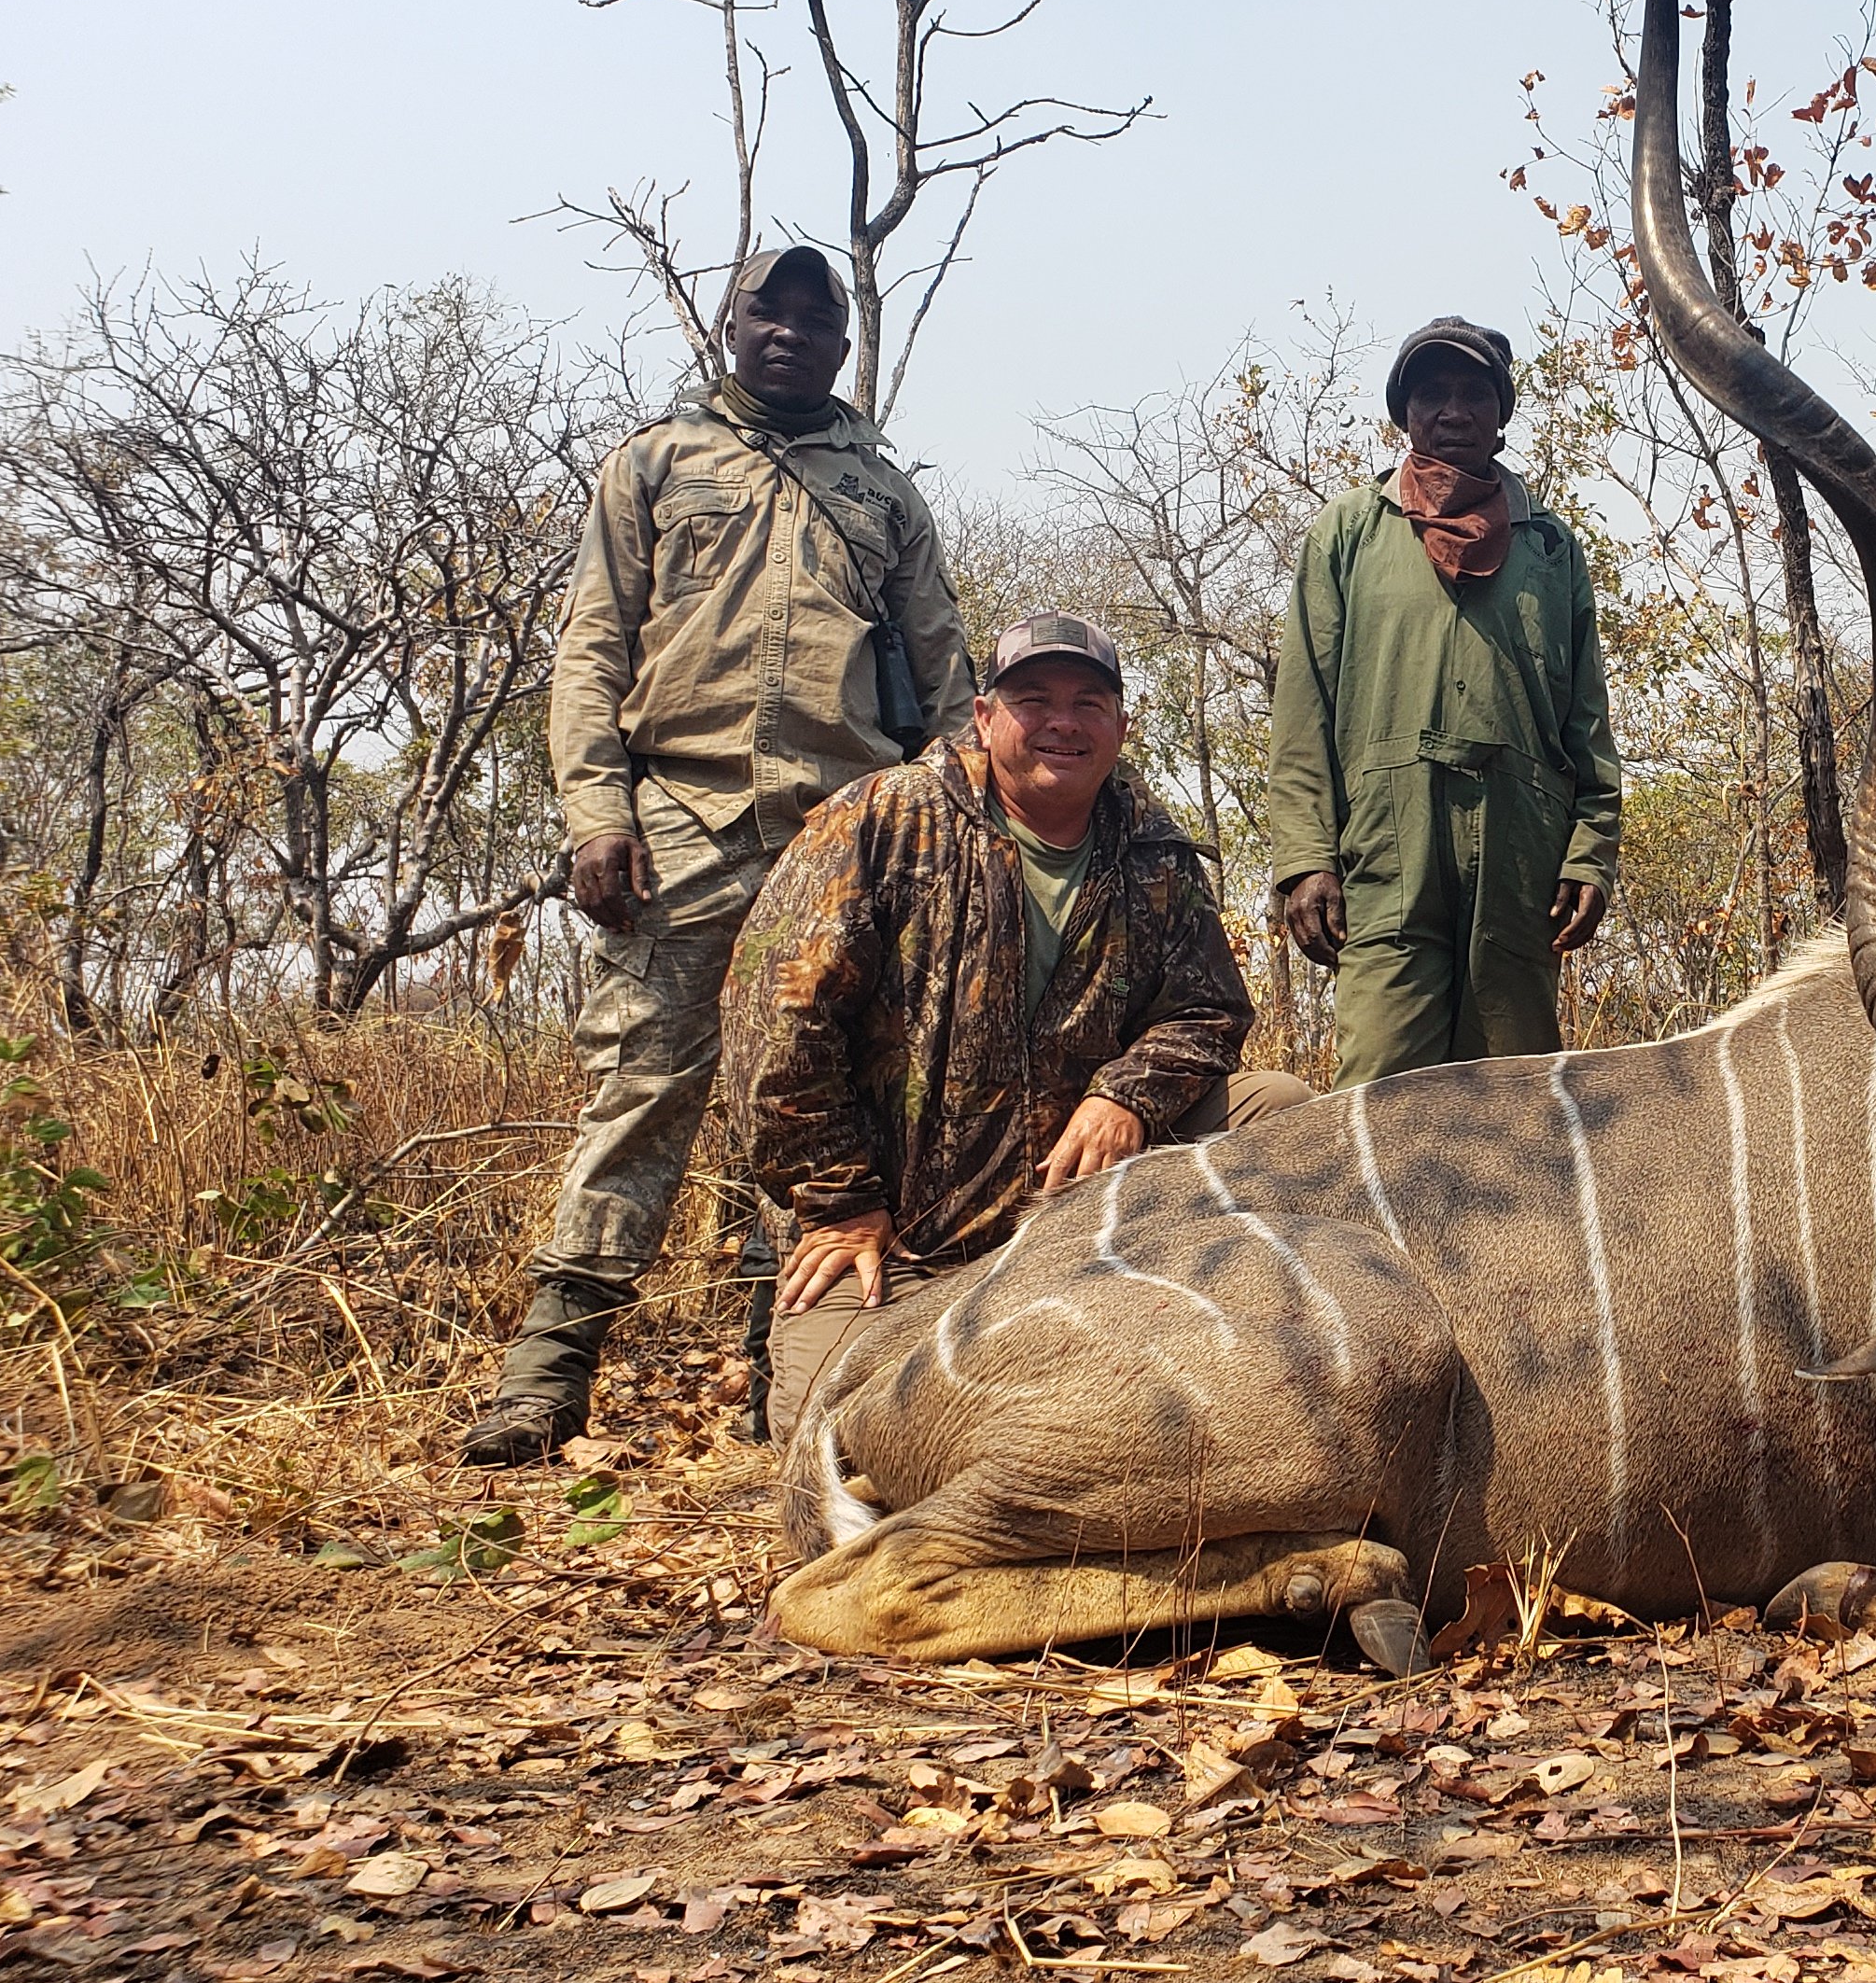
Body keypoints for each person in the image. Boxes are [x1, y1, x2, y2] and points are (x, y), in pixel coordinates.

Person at [464, 244, 973, 1469]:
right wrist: (597, 813)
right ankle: (548, 1374)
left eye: (818, 316)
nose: (792, 332)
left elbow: (947, 669)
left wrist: (960, 834)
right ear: (729, 324)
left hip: (845, 840)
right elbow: (591, 648)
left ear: (845, 342)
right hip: (681, 821)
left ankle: (778, 1384)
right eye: (769, 310)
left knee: (820, 1109)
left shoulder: (885, 494)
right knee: (642, 1085)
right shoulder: (653, 464)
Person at [739, 610, 1312, 1431]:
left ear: (1121, 724)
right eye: (1032, 699)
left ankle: (1227, 1327)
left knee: (1279, 1110)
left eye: (1088, 702)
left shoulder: (1151, 847)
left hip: (1071, 1224)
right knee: (841, 1444)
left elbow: (1209, 1009)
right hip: (894, 1234)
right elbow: (777, 1029)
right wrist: (837, 1204)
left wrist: (1128, 1097)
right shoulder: (882, 820)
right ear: (984, 717)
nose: (1062, 723)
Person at [1264, 315, 1622, 1082]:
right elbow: (1304, 713)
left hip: (1520, 859)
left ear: (1501, 415)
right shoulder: (1349, 532)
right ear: (1405, 412)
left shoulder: (1550, 549)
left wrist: (1590, 857)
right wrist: (1303, 859)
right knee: (1376, 1103)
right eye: (1432, 393)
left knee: (1519, 1111)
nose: (1453, 410)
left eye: (1473, 393)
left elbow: (1586, 727)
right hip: (1386, 851)